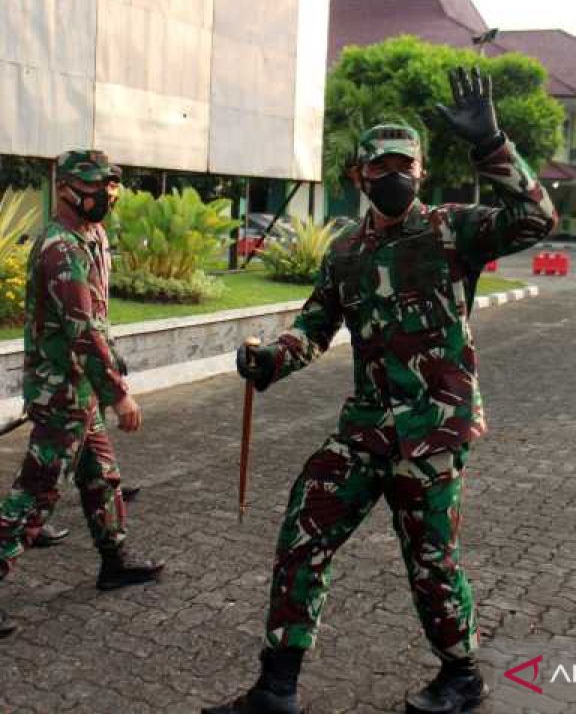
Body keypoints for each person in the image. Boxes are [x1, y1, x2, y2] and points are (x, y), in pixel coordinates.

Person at [204, 68, 556, 714]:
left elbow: (537, 218)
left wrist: (492, 145)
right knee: (304, 526)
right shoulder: (346, 254)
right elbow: (314, 328)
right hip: (366, 430)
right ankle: (277, 687)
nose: (392, 173)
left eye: (404, 163)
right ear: (361, 176)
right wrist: (268, 361)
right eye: (380, 164)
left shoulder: (454, 232)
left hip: (433, 431)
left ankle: (462, 675)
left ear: (420, 172)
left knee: (431, 564)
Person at [0, 150, 163, 641]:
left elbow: (96, 316)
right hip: (64, 391)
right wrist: (119, 393)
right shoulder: (59, 247)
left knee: (101, 476)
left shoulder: (92, 237)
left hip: (81, 387)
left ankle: (115, 560)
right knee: (37, 491)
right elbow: (80, 328)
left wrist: (110, 361)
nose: (110, 197)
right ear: (67, 191)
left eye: (112, 188)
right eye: (101, 188)